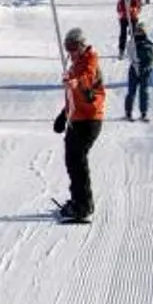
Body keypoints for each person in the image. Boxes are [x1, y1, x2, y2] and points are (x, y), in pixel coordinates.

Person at [55, 28, 107, 222]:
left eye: (74, 47)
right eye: (67, 48)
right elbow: (73, 96)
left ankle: (83, 205)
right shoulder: (75, 64)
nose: (70, 52)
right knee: (72, 161)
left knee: (77, 161)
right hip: (77, 119)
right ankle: (79, 199)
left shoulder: (89, 61)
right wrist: (64, 115)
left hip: (89, 119)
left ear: (82, 45)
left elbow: (87, 79)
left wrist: (76, 82)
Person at [125, 24, 153, 123]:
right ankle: (128, 112)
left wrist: (147, 67)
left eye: (141, 31)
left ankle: (143, 113)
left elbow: (151, 57)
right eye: (137, 31)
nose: (138, 32)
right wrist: (135, 61)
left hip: (145, 71)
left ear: (144, 32)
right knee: (131, 91)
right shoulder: (132, 43)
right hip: (134, 69)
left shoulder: (149, 44)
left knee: (144, 92)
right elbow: (130, 54)